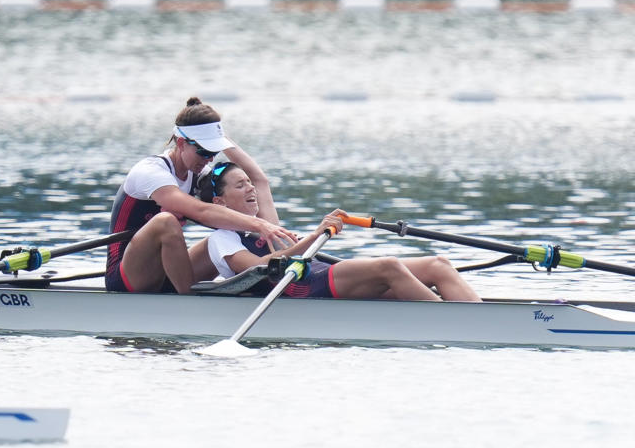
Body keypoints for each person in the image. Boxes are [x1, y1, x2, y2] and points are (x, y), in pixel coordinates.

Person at [198, 162, 482, 301]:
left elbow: (260, 178)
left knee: (439, 264)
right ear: (219, 202)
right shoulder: (222, 238)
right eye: (240, 185)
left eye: (248, 183)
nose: (250, 188)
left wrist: (219, 137)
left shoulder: (264, 222)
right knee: (389, 266)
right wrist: (315, 235)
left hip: (325, 275)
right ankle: (457, 323)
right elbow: (260, 266)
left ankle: (480, 319)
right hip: (307, 289)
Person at [105, 97, 298, 294]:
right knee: (166, 221)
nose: (210, 159)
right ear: (181, 143)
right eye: (204, 151)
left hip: (168, 273)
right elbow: (202, 211)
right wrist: (260, 225)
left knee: (224, 234)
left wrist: (269, 228)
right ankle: (189, 301)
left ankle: (267, 283)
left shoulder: (199, 175)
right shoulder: (150, 172)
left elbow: (258, 181)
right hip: (127, 276)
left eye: (214, 151)